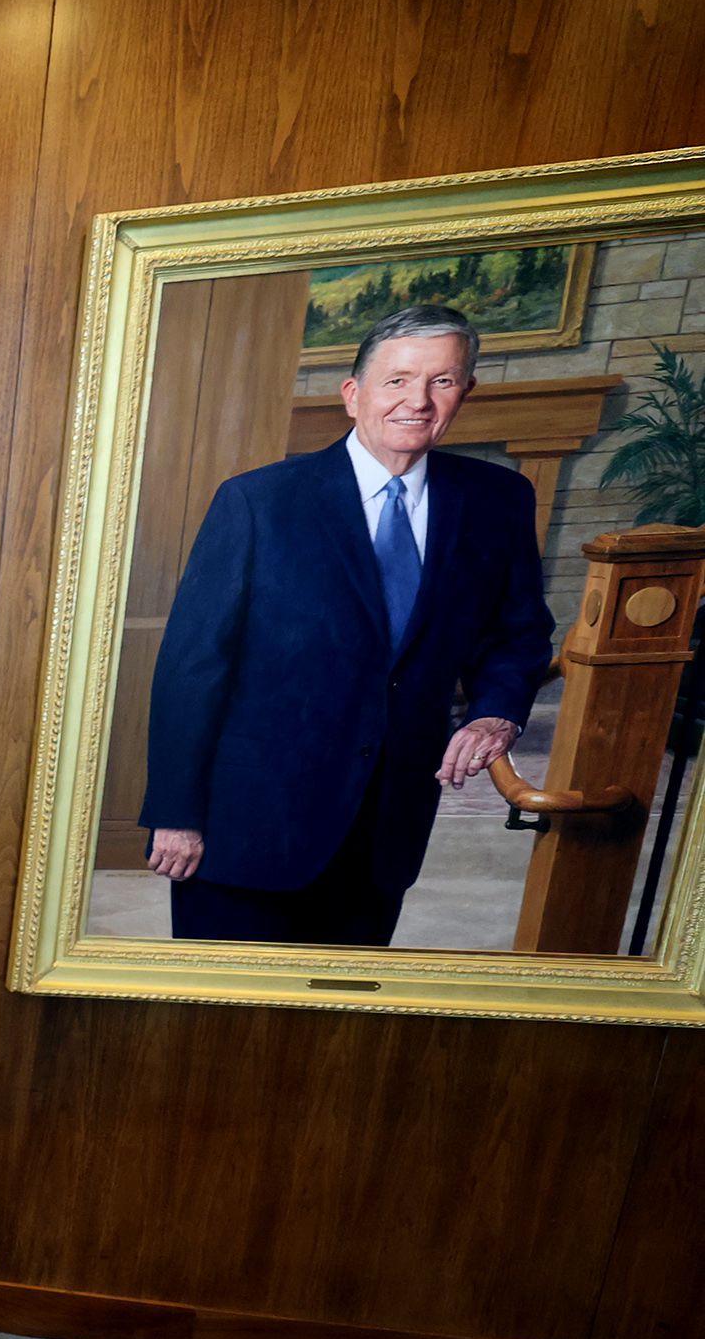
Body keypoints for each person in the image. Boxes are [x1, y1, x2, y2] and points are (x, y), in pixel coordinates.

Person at [141, 303, 556, 944]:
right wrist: (175, 813)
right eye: (397, 380)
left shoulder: (498, 501)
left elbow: (518, 632)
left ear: (464, 393)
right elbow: (192, 667)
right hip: (246, 825)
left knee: (339, 1023)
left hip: (386, 827)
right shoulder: (258, 501)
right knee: (225, 1029)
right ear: (353, 394)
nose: (417, 400)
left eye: (442, 380)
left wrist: (496, 710)